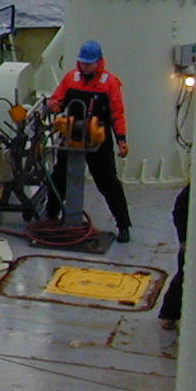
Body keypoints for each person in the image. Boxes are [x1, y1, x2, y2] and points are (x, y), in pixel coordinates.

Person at [44, 40, 133, 241]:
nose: (85, 67)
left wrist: (121, 139)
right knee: (59, 176)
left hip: (98, 138)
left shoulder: (110, 83)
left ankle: (123, 224)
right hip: (71, 135)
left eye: (89, 63)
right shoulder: (71, 79)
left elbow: (117, 114)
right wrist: (54, 105)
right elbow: (58, 98)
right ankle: (51, 215)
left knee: (108, 181)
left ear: (98, 62)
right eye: (83, 63)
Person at [158, 184, 190, 328]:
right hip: (194, 240)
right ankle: (169, 314)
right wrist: (184, 238)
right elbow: (180, 209)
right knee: (185, 273)